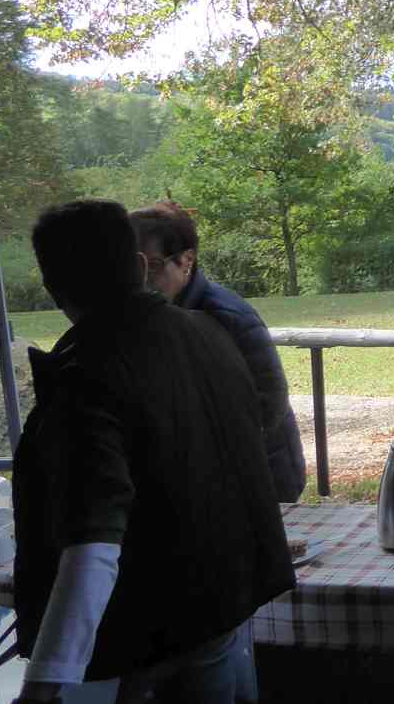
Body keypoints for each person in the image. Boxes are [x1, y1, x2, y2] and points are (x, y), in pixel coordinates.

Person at [0, 200, 294, 704]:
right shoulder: (208, 336)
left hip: (119, 628)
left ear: (52, 288)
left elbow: (91, 544)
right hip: (213, 599)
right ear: (137, 265)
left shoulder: (84, 375)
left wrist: (37, 703)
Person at [130, 201, 307, 502]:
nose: (143, 278)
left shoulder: (227, 316)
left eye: (155, 266)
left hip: (261, 472)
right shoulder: (150, 315)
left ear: (187, 260)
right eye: (136, 266)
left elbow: (270, 400)